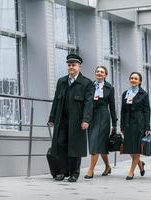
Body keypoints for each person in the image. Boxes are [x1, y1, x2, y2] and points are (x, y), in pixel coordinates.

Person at [47, 54, 93, 182]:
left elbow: (89, 103)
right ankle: (62, 171)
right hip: (62, 119)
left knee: (75, 147)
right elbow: (56, 100)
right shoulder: (61, 81)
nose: (71, 67)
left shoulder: (86, 83)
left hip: (77, 121)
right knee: (60, 144)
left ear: (79, 66)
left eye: (73, 65)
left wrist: (86, 120)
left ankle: (74, 172)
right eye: (69, 65)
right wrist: (51, 118)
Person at [84, 66, 118, 179]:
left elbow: (112, 107)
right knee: (101, 144)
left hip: (103, 117)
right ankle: (108, 166)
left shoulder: (109, 87)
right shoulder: (90, 85)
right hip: (91, 117)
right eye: (97, 71)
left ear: (105, 75)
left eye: (102, 72)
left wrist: (115, 124)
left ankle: (90, 170)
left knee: (95, 143)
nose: (99, 73)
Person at [120, 72, 151, 180]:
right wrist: (122, 126)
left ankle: (131, 171)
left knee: (137, 148)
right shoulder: (125, 93)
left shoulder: (144, 94)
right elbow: (122, 110)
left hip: (139, 123)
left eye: (136, 78)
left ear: (140, 81)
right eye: (132, 78)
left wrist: (147, 127)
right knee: (129, 148)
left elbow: (147, 111)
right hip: (128, 123)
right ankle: (140, 165)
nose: (133, 80)